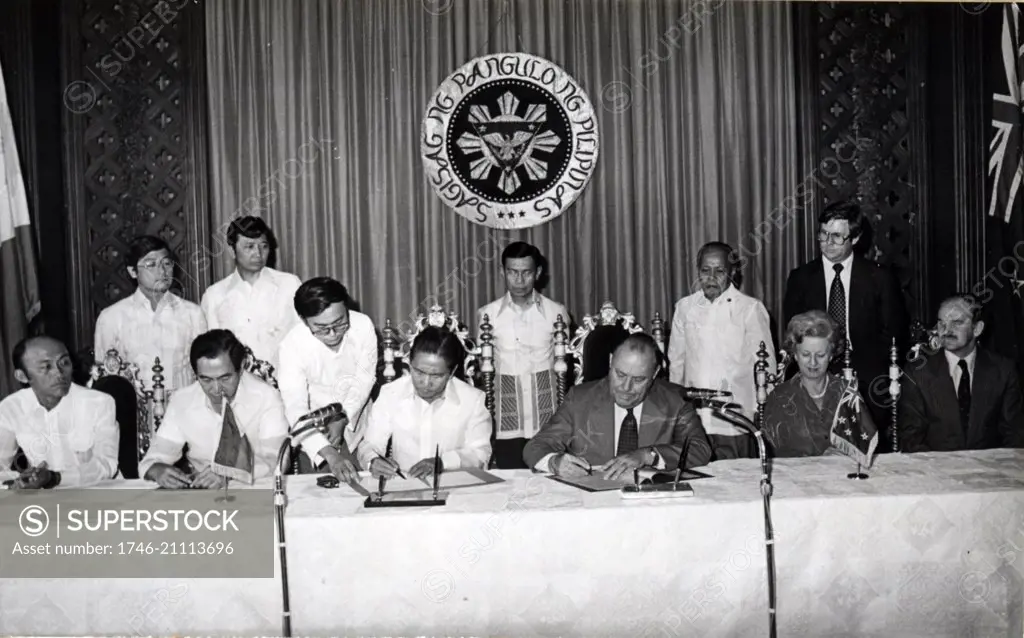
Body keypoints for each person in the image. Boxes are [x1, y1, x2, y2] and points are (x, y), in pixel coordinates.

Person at [782, 201, 908, 448]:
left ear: (856, 237)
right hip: (813, 377)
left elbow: (894, 336)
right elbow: (792, 337)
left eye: (837, 236)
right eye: (823, 234)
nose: (828, 242)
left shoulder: (879, 278)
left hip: (867, 383)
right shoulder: (801, 278)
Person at [523, 333, 712, 478]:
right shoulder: (580, 399)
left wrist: (649, 456)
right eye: (620, 375)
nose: (626, 388)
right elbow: (536, 447)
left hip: (652, 506)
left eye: (638, 379)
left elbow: (700, 449)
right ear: (611, 363)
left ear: (654, 374)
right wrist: (555, 462)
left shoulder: (675, 400)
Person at [139, 330, 290, 488]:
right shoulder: (182, 401)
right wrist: (156, 469)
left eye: (225, 378)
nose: (216, 389)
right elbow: (154, 458)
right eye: (206, 379)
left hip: (254, 489)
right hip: (203, 492)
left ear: (242, 367)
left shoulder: (266, 397)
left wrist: (230, 472)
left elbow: (278, 460)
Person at [667, 241, 774, 459]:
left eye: (720, 271)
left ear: (733, 272)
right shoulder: (685, 308)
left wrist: (759, 412)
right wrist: (674, 411)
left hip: (735, 418)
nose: (711, 277)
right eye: (705, 270)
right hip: (694, 419)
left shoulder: (749, 308)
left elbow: (765, 366)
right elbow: (676, 362)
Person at [477, 242, 569, 468]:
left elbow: (564, 365)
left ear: (537, 273)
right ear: (502, 272)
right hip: (507, 419)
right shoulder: (487, 315)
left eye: (526, 272)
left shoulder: (557, 313)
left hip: (547, 417)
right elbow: (484, 366)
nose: (519, 280)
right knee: (509, 482)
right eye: (512, 272)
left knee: (550, 483)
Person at [358, 326, 491, 478]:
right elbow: (370, 444)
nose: (426, 383)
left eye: (437, 376)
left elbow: (481, 454)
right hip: (404, 486)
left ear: (452, 372)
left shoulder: (472, 399)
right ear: (409, 362)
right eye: (419, 372)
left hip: (455, 486)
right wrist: (373, 461)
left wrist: (442, 463)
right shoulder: (391, 393)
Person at [899, 294, 1024, 452]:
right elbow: (910, 439)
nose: (946, 331)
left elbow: (1015, 435)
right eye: (941, 323)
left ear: (977, 328)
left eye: (956, 323)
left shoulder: (1003, 370)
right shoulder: (917, 372)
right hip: (935, 470)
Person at [277, 277, 376, 476]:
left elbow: (364, 380)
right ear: (304, 321)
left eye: (340, 323)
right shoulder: (291, 345)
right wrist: (329, 453)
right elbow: (295, 406)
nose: (332, 334)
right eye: (322, 328)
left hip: (358, 426)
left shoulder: (363, 325)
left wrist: (343, 417)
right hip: (315, 433)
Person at [0, 336, 118, 488]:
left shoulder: (99, 403)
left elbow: (106, 464)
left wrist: (55, 478)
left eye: (64, 363)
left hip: (94, 495)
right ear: (22, 376)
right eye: (46, 367)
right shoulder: (11, 407)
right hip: (41, 500)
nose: (59, 373)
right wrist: (20, 480)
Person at [94, 235, 207, 391]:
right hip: (135, 410)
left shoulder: (192, 313)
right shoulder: (112, 317)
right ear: (133, 272)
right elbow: (105, 376)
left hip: (182, 409)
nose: (162, 271)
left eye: (167, 263)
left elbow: (204, 370)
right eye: (151, 265)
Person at [762, 310, 876, 457]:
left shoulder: (847, 393)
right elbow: (771, 457)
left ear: (831, 355)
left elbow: (865, 448)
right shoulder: (779, 398)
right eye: (806, 354)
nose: (813, 362)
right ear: (795, 355)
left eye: (820, 355)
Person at [200, 216, 302, 369]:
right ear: (232, 250)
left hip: (284, 381)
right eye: (249, 246)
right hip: (239, 386)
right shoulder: (215, 295)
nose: (258, 253)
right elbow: (212, 351)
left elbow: (304, 338)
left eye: (264, 246)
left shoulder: (289, 285)